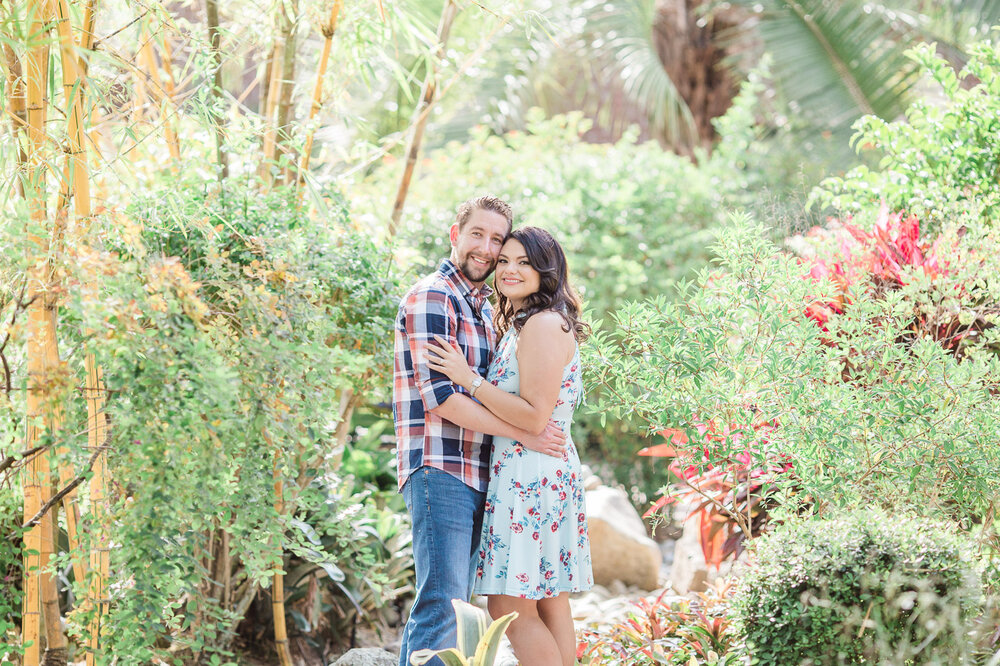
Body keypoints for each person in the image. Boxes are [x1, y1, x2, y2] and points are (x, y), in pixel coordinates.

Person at [393, 197, 568, 666]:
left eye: (498, 241)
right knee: (442, 603)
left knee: (467, 609)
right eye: (479, 235)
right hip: (441, 467)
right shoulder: (433, 296)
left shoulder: (491, 310)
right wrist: (527, 434)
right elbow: (443, 399)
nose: (488, 249)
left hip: (485, 474)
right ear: (455, 234)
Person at [426, 226, 593, 666]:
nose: (510, 270)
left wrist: (469, 380)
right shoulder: (531, 324)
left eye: (524, 262)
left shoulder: (540, 325)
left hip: (531, 474)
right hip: (539, 469)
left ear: (546, 270)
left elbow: (535, 415)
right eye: (505, 261)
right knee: (548, 598)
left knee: (508, 606)